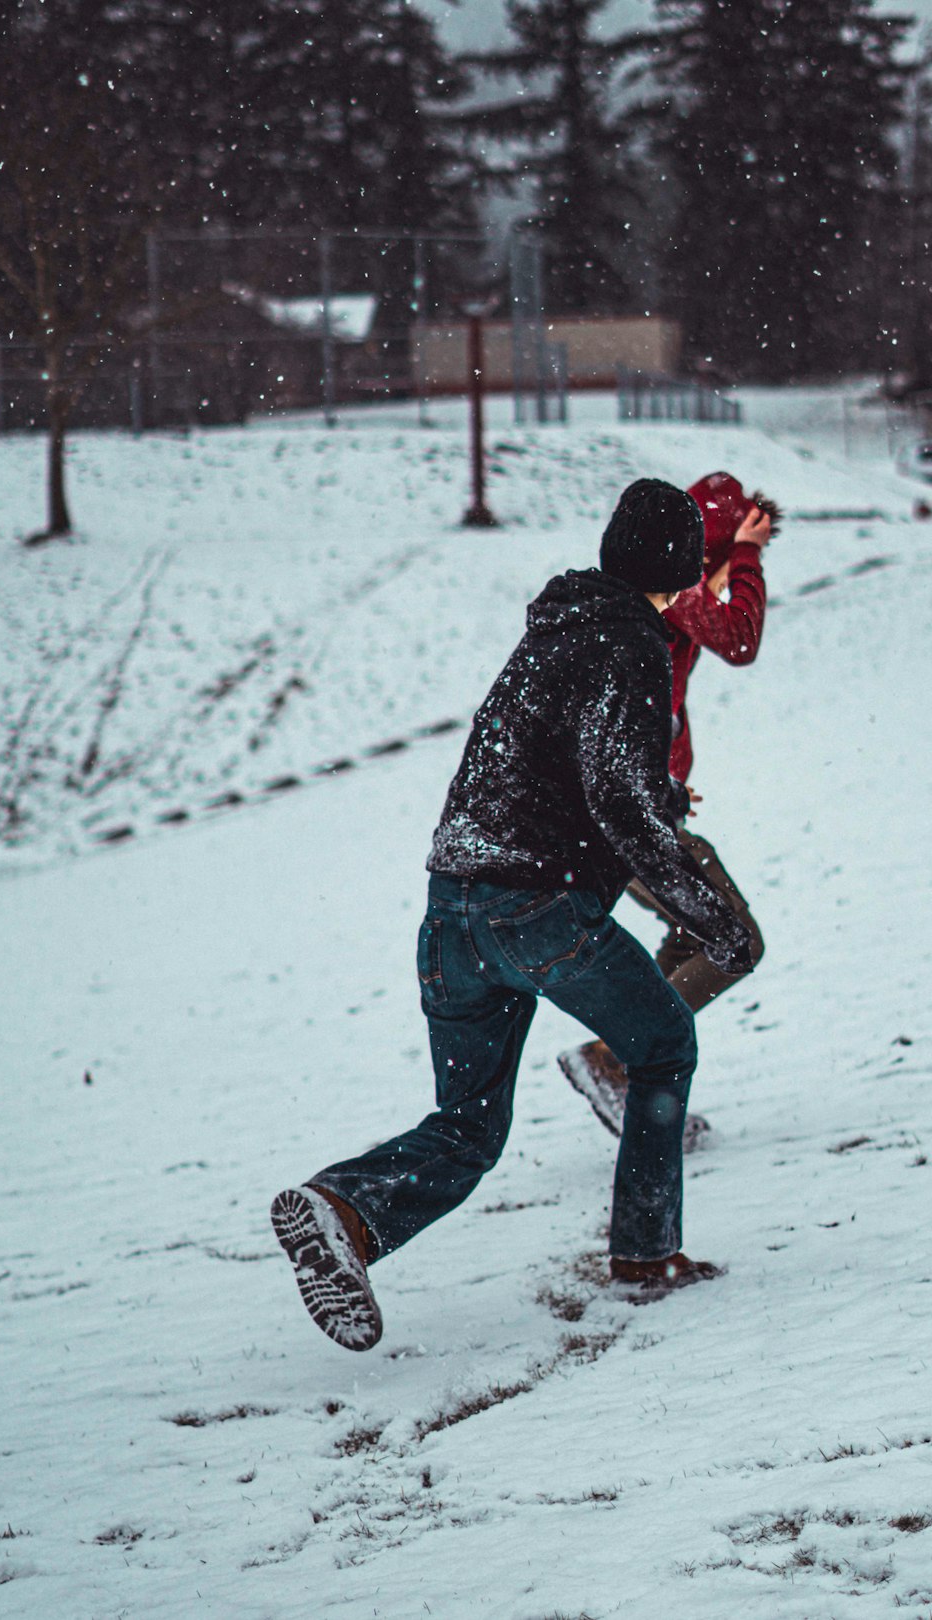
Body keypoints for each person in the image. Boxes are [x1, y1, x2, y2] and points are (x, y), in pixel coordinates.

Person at [271, 478, 757, 1352]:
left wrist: (659, 799)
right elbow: (618, 796)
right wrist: (706, 913)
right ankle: (647, 1258)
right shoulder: (633, 644)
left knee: (467, 1127)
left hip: (450, 910)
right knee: (663, 1047)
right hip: (538, 911)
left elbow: (558, 765)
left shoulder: (556, 628)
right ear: (679, 564)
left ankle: (343, 1209)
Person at [558, 472, 780, 1143]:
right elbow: (738, 640)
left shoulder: (656, 587)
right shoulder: (674, 588)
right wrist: (746, 558)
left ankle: (627, 1070)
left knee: (697, 935)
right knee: (733, 939)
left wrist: (671, 776)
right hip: (623, 814)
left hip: (629, 802)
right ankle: (615, 1058)